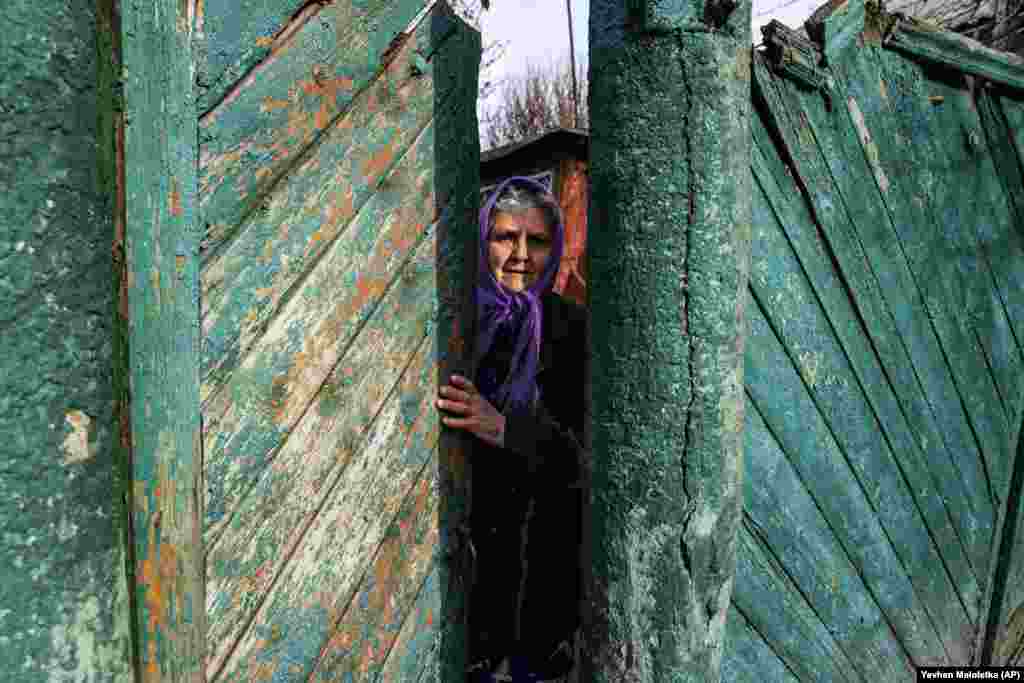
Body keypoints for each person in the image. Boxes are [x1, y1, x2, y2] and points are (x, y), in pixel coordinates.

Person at [435, 176, 590, 683]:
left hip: (540, 576)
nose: (521, 253)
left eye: (538, 240)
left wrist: (507, 429)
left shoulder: (572, 331)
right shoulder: (450, 322)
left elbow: (587, 461)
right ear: (482, 241)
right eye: (505, 236)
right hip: (456, 572)